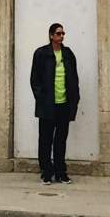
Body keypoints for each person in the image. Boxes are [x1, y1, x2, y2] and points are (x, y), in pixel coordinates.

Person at [30, 22, 79, 184]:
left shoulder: (68, 54)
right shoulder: (41, 54)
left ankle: (60, 172)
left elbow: (74, 77)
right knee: (45, 139)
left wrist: (75, 98)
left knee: (60, 140)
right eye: (58, 33)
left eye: (63, 33)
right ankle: (46, 172)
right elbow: (35, 79)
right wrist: (41, 98)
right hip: (47, 105)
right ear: (51, 35)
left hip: (64, 104)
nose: (61, 36)